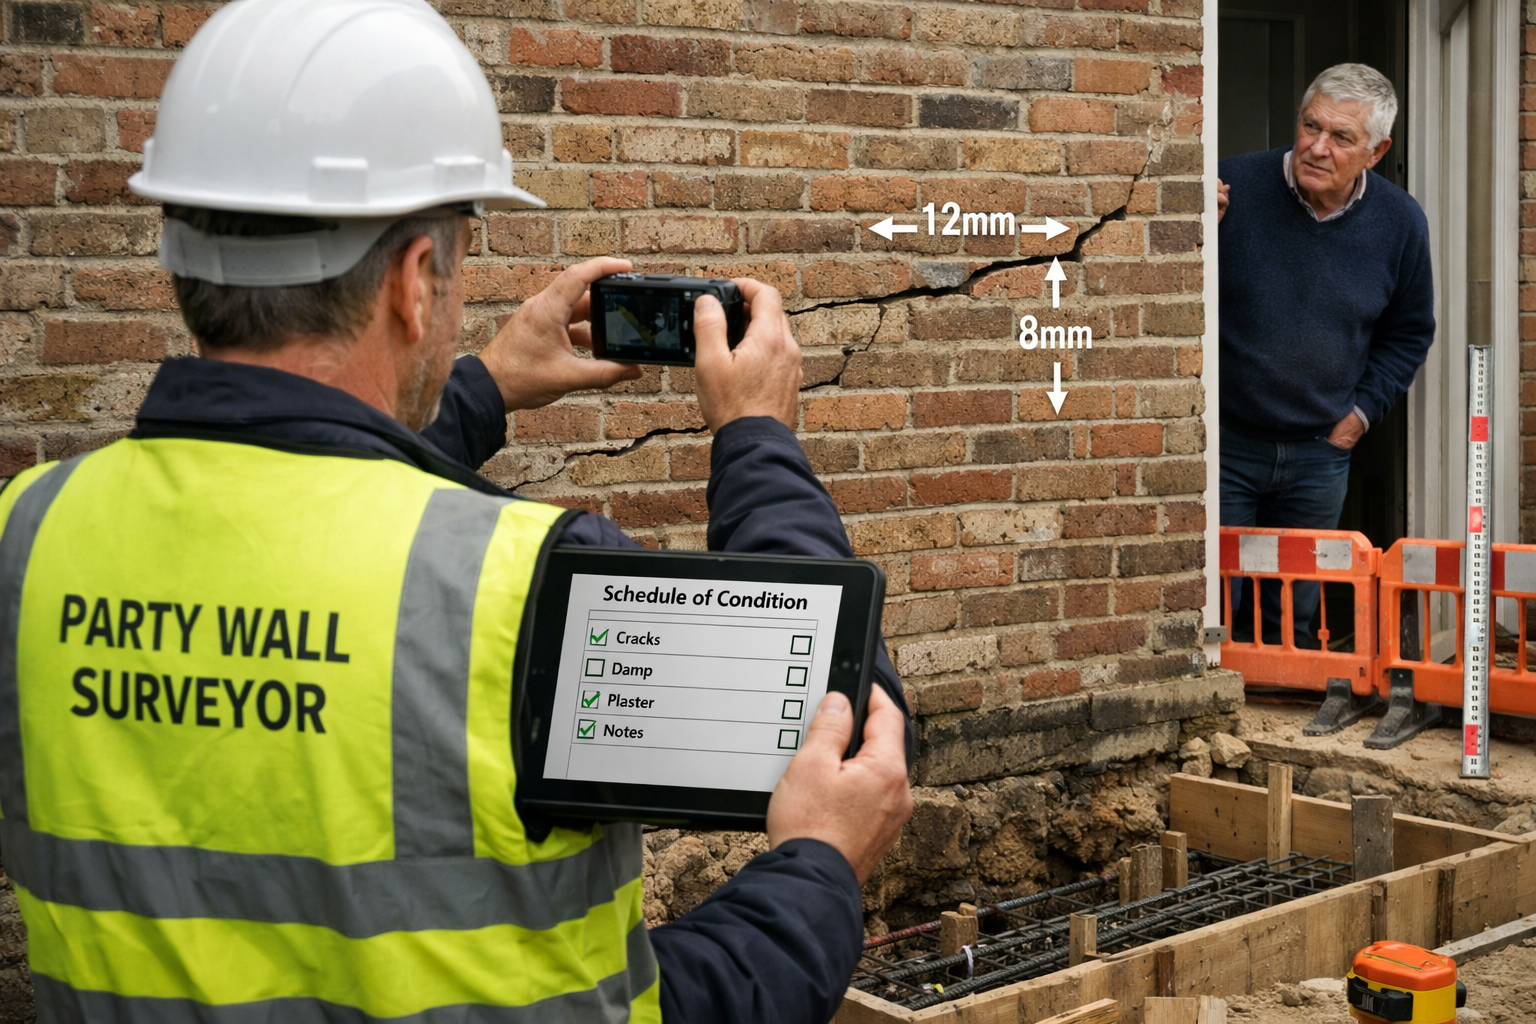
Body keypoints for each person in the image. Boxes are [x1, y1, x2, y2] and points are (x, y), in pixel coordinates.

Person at [0, 1, 913, 1021]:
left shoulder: (29, 536)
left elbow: (297, 511)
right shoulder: (529, 588)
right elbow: (838, 717)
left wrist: (476, 390)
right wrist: (757, 437)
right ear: (417, 281)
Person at [1216, 63, 1434, 647]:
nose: (1317, 147)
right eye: (1311, 126)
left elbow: (1409, 332)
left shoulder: (1401, 222)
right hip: (1225, 443)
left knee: (1292, 617)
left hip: (1320, 452)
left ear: (1376, 150)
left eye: (1341, 138)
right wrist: (1190, 233)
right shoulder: (1227, 191)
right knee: (1213, 613)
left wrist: (1358, 417)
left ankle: (1284, 712)